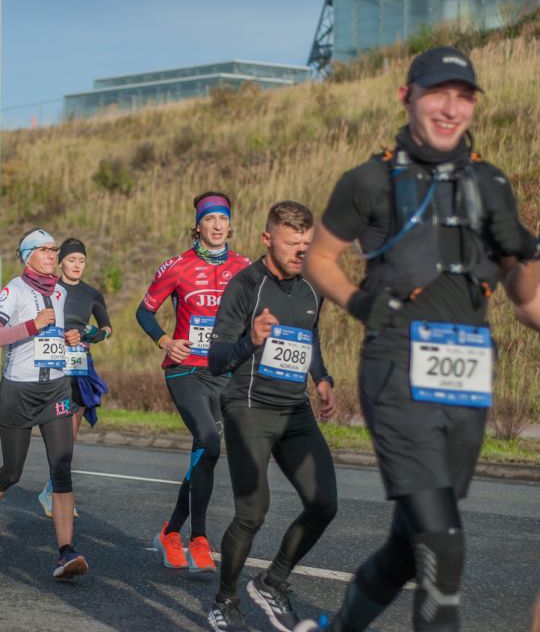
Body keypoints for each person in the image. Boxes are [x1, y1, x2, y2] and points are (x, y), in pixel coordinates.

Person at [298, 47, 540, 631]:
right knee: (444, 545)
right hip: (396, 368)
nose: (450, 107)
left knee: (412, 545)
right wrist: (358, 302)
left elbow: (529, 300)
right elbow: (319, 257)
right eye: (438, 93)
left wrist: (529, 251)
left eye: (463, 96)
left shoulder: (491, 183)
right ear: (408, 96)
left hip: (467, 376)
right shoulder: (370, 181)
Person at [204, 201, 337, 632]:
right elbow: (216, 359)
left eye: (306, 242)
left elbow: (310, 336)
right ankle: (224, 600)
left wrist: (321, 378)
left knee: (323, 503)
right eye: (292, 243)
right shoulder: (245, 287)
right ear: (267, 240)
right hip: (248, 406)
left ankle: (272, 581)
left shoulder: (312, 286)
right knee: (252, 512)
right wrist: (251, 339)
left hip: (293, 408)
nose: (302, 251)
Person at [135, 192, 251, 572]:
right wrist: (165, 340)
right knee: (209, 438)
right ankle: (198, 537)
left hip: (223, 372)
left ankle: (172, 531)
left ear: (230, 225)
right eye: (210, 219)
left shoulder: (246, 268)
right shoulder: (177, 266)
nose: (217, 226)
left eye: (223, 219)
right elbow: (144, 311)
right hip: (184, 369)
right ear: (198, 225)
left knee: (207, 451)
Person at [0, 228, 89, 580]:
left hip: (55, 390)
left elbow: (54, 339)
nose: (53, 255)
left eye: (55, 249)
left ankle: (66, 553)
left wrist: (71, 339)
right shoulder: (13, 291)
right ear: (27, 256)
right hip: (19, 393)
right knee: (12, 472)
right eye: (45, 250)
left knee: (62, 469)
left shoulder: (62, 293)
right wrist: (32, 325)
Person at [37, 237, 112, 519]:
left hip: (79, 367)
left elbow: (107, 328)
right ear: (61, 262)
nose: (77, 265)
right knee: (53, 431)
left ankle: (52, 490)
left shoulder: (92, 294)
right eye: (71, 260)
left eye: (81, 260)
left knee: (69, 436)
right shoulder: (49, 289)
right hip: (51, 366)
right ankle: (57, 490)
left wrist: (90, 333)